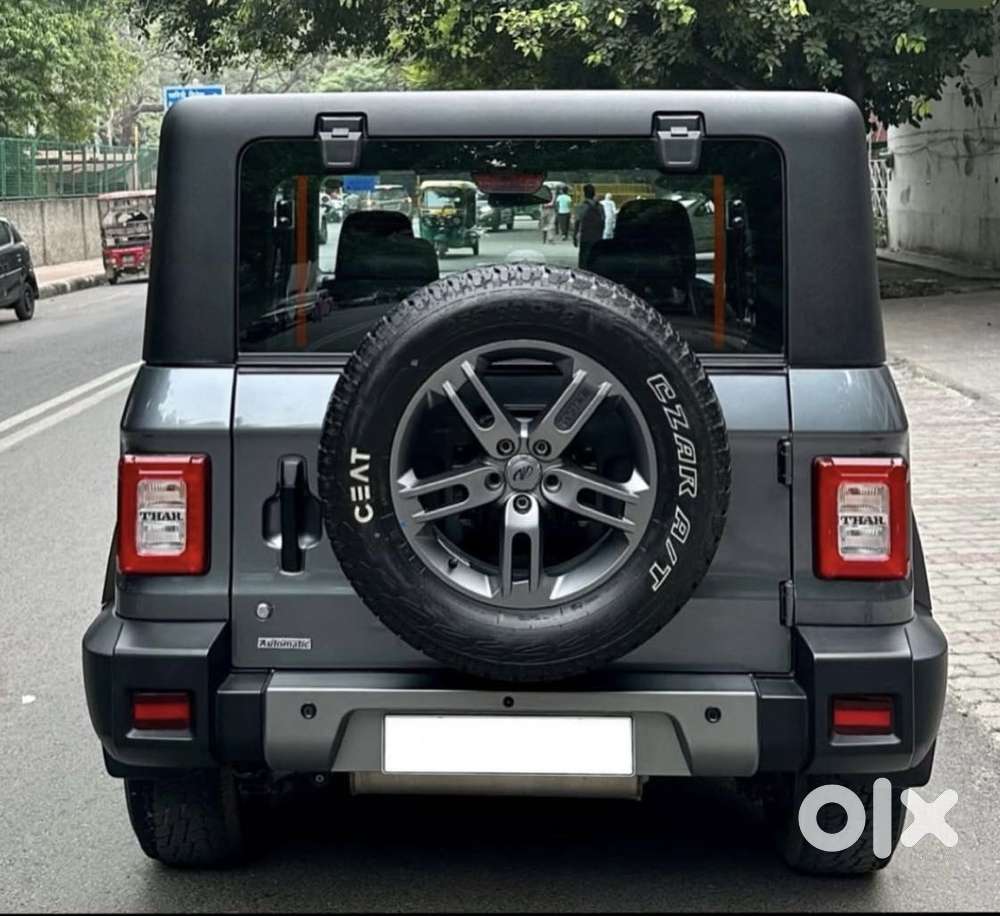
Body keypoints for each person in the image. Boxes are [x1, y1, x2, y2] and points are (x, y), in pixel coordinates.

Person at [572, 183, 605, 268]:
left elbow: (577, 221)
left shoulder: (582, 206)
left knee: (583, 259)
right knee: (595, 259)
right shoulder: (600, 206)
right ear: (594, 193)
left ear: (584, 193)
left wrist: (574, 236)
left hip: (586, 236)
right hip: (597, 236)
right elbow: (603, 220)